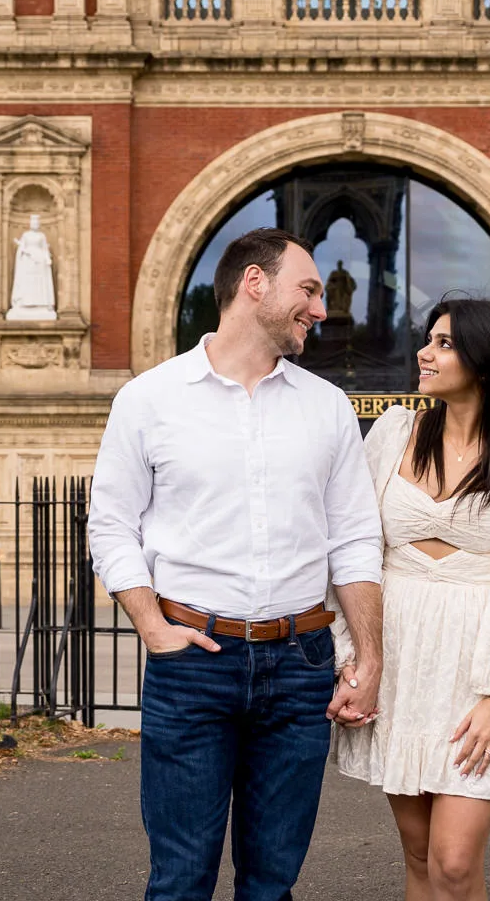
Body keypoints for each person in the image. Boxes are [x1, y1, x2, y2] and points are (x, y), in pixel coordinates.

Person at [88, 227, 385, 901]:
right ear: (256, 283)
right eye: (308, 290)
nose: (322, 308)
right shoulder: (150, 399)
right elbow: (110, 524)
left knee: (271, 884)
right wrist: (151, 626)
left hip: (301, 666)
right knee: (181, 879)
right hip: (193, 663)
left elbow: (356, 539)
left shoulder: (327, 408)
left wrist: (369, 659)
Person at [336, 297, 490, 901]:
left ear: (488, 359)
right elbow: (356, 550)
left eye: (444, 342)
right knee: (419, 857)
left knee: (453, 860)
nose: (425, 351)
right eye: (429, 338)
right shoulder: (395, 433)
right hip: (401, 659)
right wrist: (355, 659)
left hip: (479, 668)